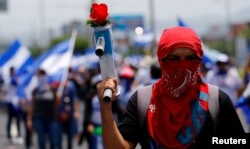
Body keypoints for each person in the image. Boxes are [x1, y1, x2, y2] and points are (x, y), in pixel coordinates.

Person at [96, 26, 245, 149]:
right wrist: (105, 108)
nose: (182, 65)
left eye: (190, 58)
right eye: (173, 59)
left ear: (199, 60)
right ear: (161, 61)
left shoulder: (217, 101)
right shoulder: (143, 101)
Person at [27, 69, 61, 149]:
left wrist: (58, 98)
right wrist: (29, 119)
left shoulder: (52, 90)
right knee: (41, 140)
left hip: (51, 118)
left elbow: (57, 104)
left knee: (53, 140)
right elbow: (32, 105)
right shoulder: (36, 91)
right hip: (39, 118)